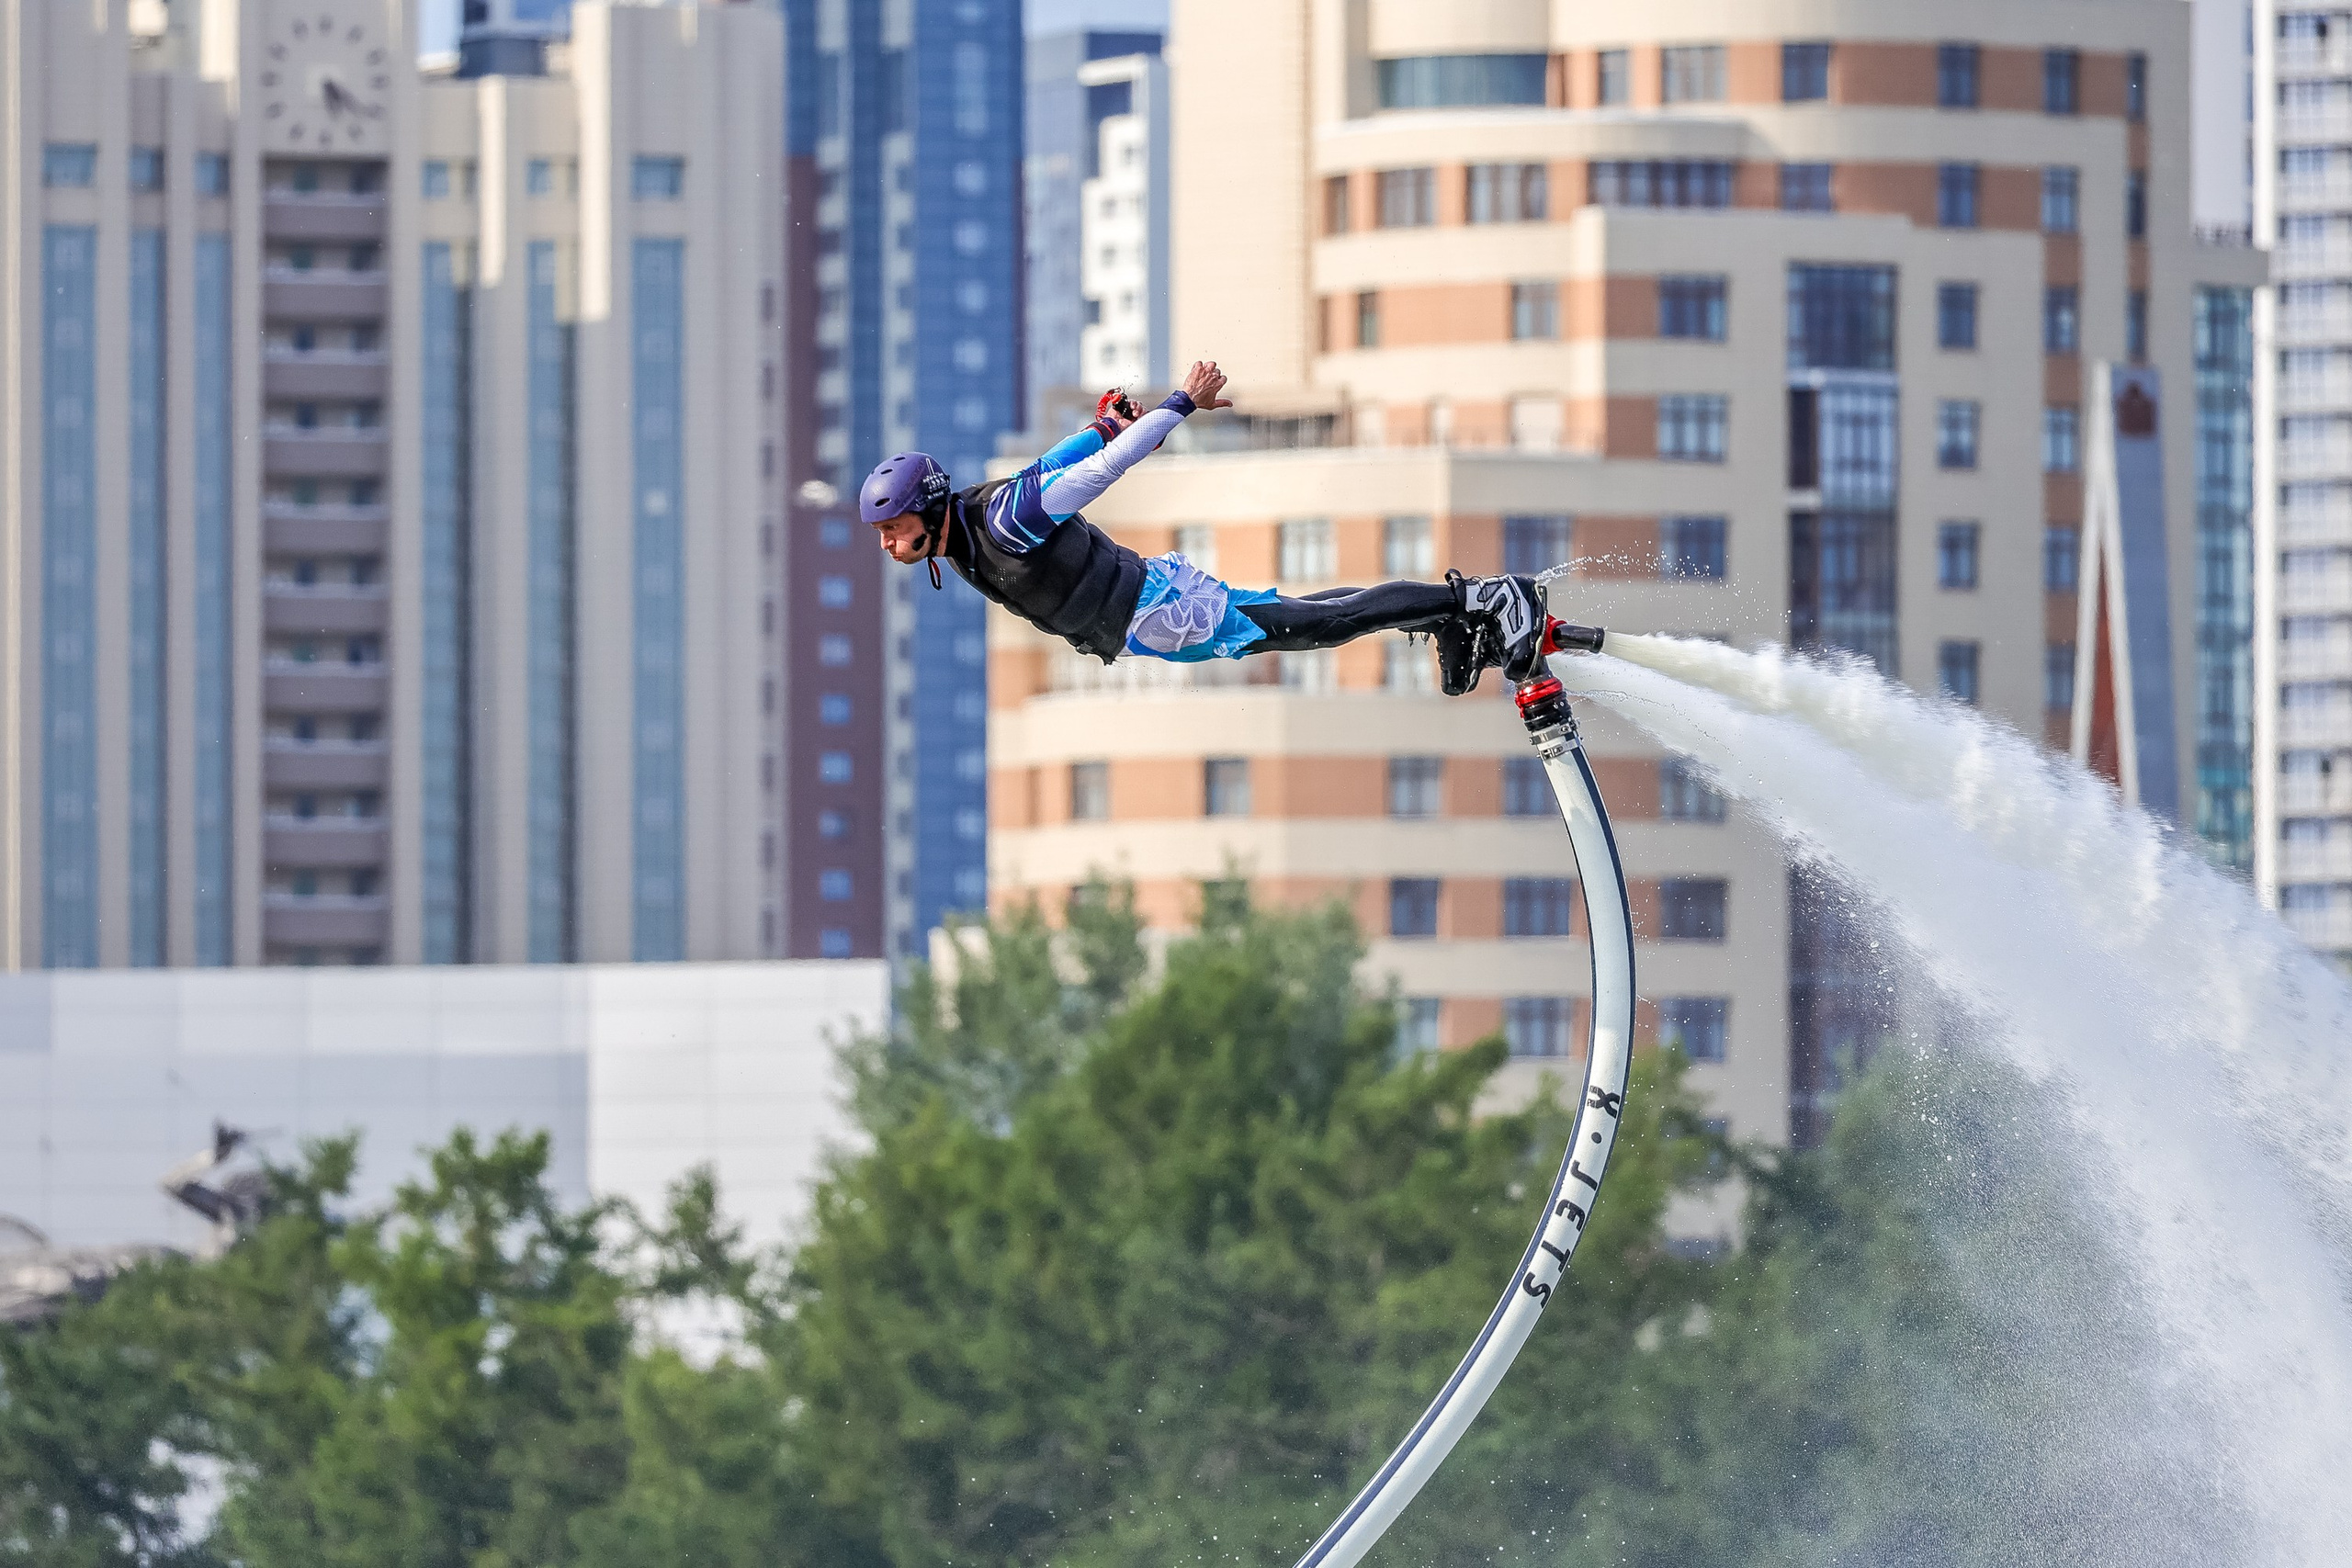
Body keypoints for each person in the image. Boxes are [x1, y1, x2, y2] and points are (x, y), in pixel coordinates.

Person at [858, 359, 1549, 695]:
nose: (889, 542)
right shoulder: (973, 529)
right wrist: (1103, 424)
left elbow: (1097, 472)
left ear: (929, 503)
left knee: (1317, 622)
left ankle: (1475, 601)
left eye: (894, 526)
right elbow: (1051, 461)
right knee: (1312, 616)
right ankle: (1445, 613)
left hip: (1162, 612)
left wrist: (1178, 405)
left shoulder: (1005, 522)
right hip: (1147, 615)